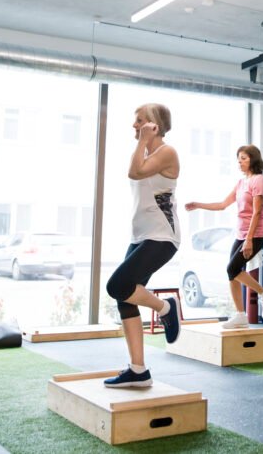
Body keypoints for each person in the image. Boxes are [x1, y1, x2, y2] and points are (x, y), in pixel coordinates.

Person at [104, 103, 182, 388]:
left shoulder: (167, 152)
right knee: (124, 297)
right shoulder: (145, 151)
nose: (134, 125)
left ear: (155, 125)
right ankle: (138, 370)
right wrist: (142, 143)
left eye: (140, 121)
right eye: (135, 121)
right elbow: (136, 170)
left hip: (162, 237)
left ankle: (166, 308)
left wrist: (143, 142)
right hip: (141, 236)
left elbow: (135, 173)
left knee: (116, 286)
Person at [185, 145, 263, 328]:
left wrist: (249, 239)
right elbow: (222, 204)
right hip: (241, 233)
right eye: (238, 158)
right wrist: (198, 205)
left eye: (243, 158)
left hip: (256, 234)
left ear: (253, 159)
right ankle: (241, 315)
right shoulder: (241, 183)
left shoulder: (258, 181)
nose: (239, 162)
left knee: (232, 269)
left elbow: (257, 212)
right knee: (232, 274)